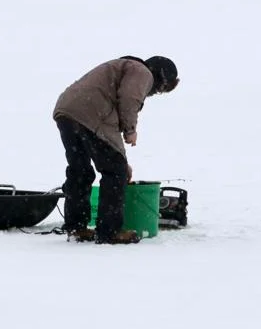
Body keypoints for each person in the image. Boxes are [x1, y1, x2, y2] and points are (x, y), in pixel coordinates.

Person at [53, 55, 179, 244]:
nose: (156, 93)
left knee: (80, 171)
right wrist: (130, 131)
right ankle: (109, 231)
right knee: (114, 172)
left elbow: (107, 134)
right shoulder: (142, 72)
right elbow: (129, 99)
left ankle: (76, 227)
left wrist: (122, 159)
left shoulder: (122, 67)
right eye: (162, 89)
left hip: (67, 110)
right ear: (161, 76)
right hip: (90, 112)